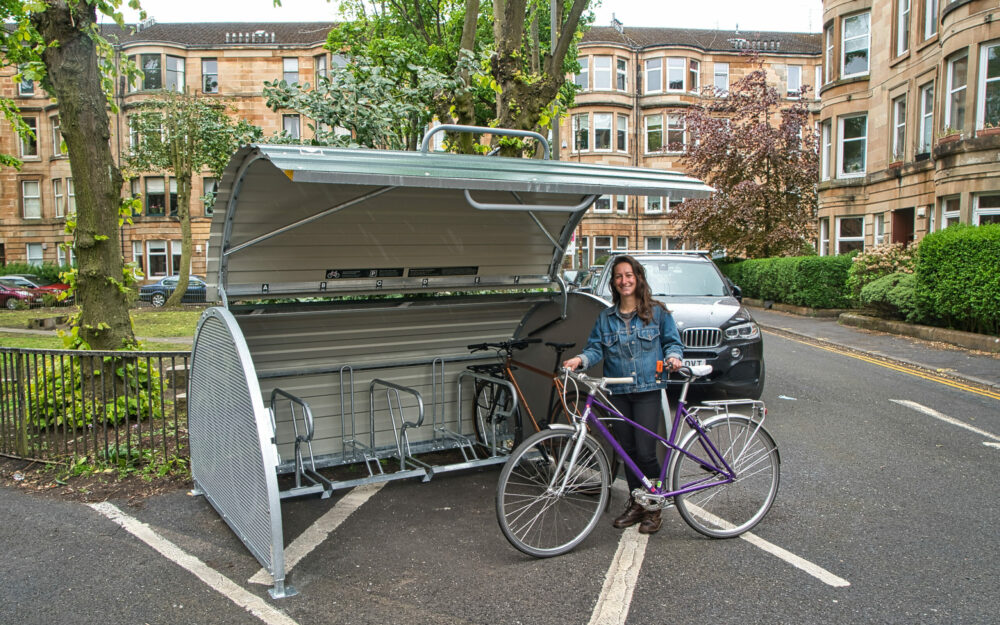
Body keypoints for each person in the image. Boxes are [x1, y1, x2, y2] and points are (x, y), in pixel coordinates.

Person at [562, 255, 683, 535]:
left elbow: (672, 343)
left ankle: (653, 506)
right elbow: (596, 349)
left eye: (629, 275)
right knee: (627, 452)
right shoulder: (605, 319)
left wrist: (674, 358)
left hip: (648, 390)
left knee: (645, 451)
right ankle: (637, 502)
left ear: (638, 278)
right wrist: (580, 360)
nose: (624, 280)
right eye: (618, 276)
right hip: (619, 391)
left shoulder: (657, 313)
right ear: (614, 283)